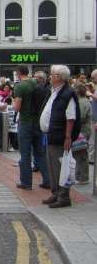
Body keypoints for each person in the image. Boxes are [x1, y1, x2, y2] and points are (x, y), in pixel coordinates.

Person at [40, 65, 81, 208]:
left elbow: (71, 117)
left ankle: (63, 197)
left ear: (59, 77)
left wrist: (68, 137)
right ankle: (56, 193)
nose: (50, 76)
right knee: (52, 167)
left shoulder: (67, 93)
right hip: (51, 135)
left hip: (60, 136)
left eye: (52, 74)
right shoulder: (55, 92)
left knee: (60, 167)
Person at [13, 66, 50, 190]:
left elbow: (17, 107)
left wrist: (14, 104)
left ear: (18, 73)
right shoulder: (36, 82)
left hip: (25, 122)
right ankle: (48, 180)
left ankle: (26, 183)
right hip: (38, 122)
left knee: (25, 154)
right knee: (40, 152)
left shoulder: (20, 86)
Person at [74, 84, 91, 185]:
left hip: (82, 131)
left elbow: (81, 117)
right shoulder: (84, 101)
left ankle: (83, 177)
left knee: (81, 154)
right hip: (83, 131)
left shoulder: (82, 102)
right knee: (80, 154)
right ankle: (80, 176)